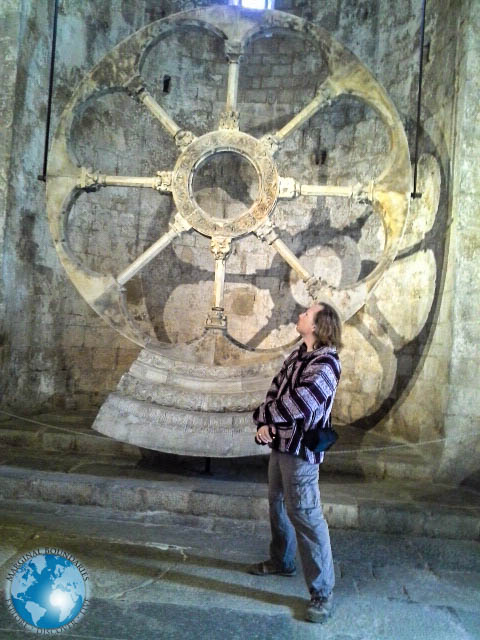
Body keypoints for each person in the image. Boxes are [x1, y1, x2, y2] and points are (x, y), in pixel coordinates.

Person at [249, 302, 342, 624]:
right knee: (277, 504)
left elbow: (301, 404)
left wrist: (263, 417)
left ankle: (322, 592)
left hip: (301, 452)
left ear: (317, 325)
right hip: (281, 445)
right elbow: (277, 390)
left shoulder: (326, 363)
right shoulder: (298, 354)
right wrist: (266, 424)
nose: (300, 314)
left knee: (305, 515)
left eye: (307, 313)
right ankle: (281, 561)